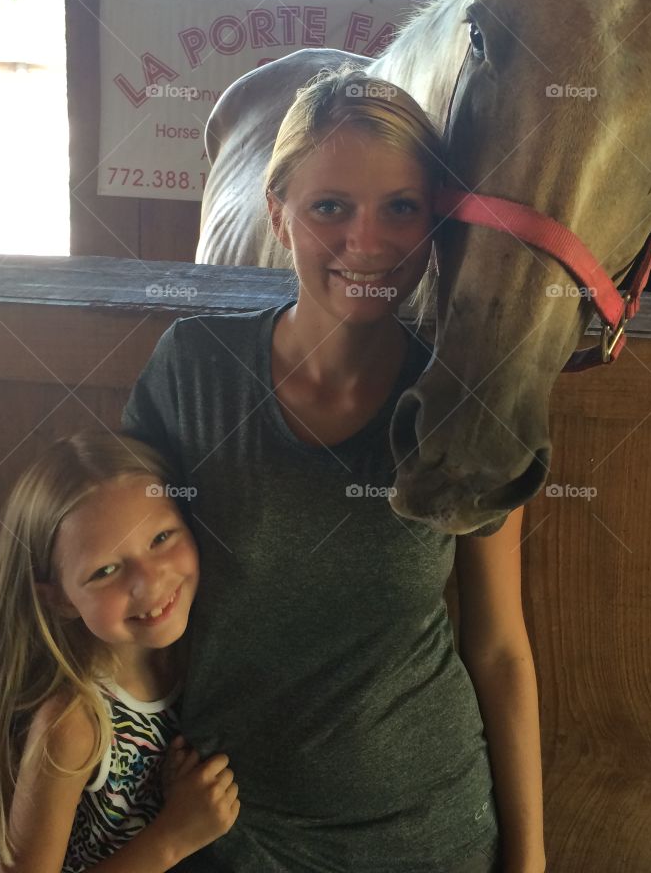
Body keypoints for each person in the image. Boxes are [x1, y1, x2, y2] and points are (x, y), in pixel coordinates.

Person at [121, 67, 546, 873]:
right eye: (329, 208)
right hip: (223, 835)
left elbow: (499, 648)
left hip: (430, 837)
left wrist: (529, 861)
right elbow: (118, 597)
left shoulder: (465, 403)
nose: (367, 243)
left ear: (435, 224)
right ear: (278, 215)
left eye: (400, 209)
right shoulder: (194, 370)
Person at [0, 430, 240, 873]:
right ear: (60, 599)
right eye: (105, 570)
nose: (150, 582)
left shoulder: (204, 650)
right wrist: (172, 838)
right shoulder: (74, 725)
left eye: (161, 538)